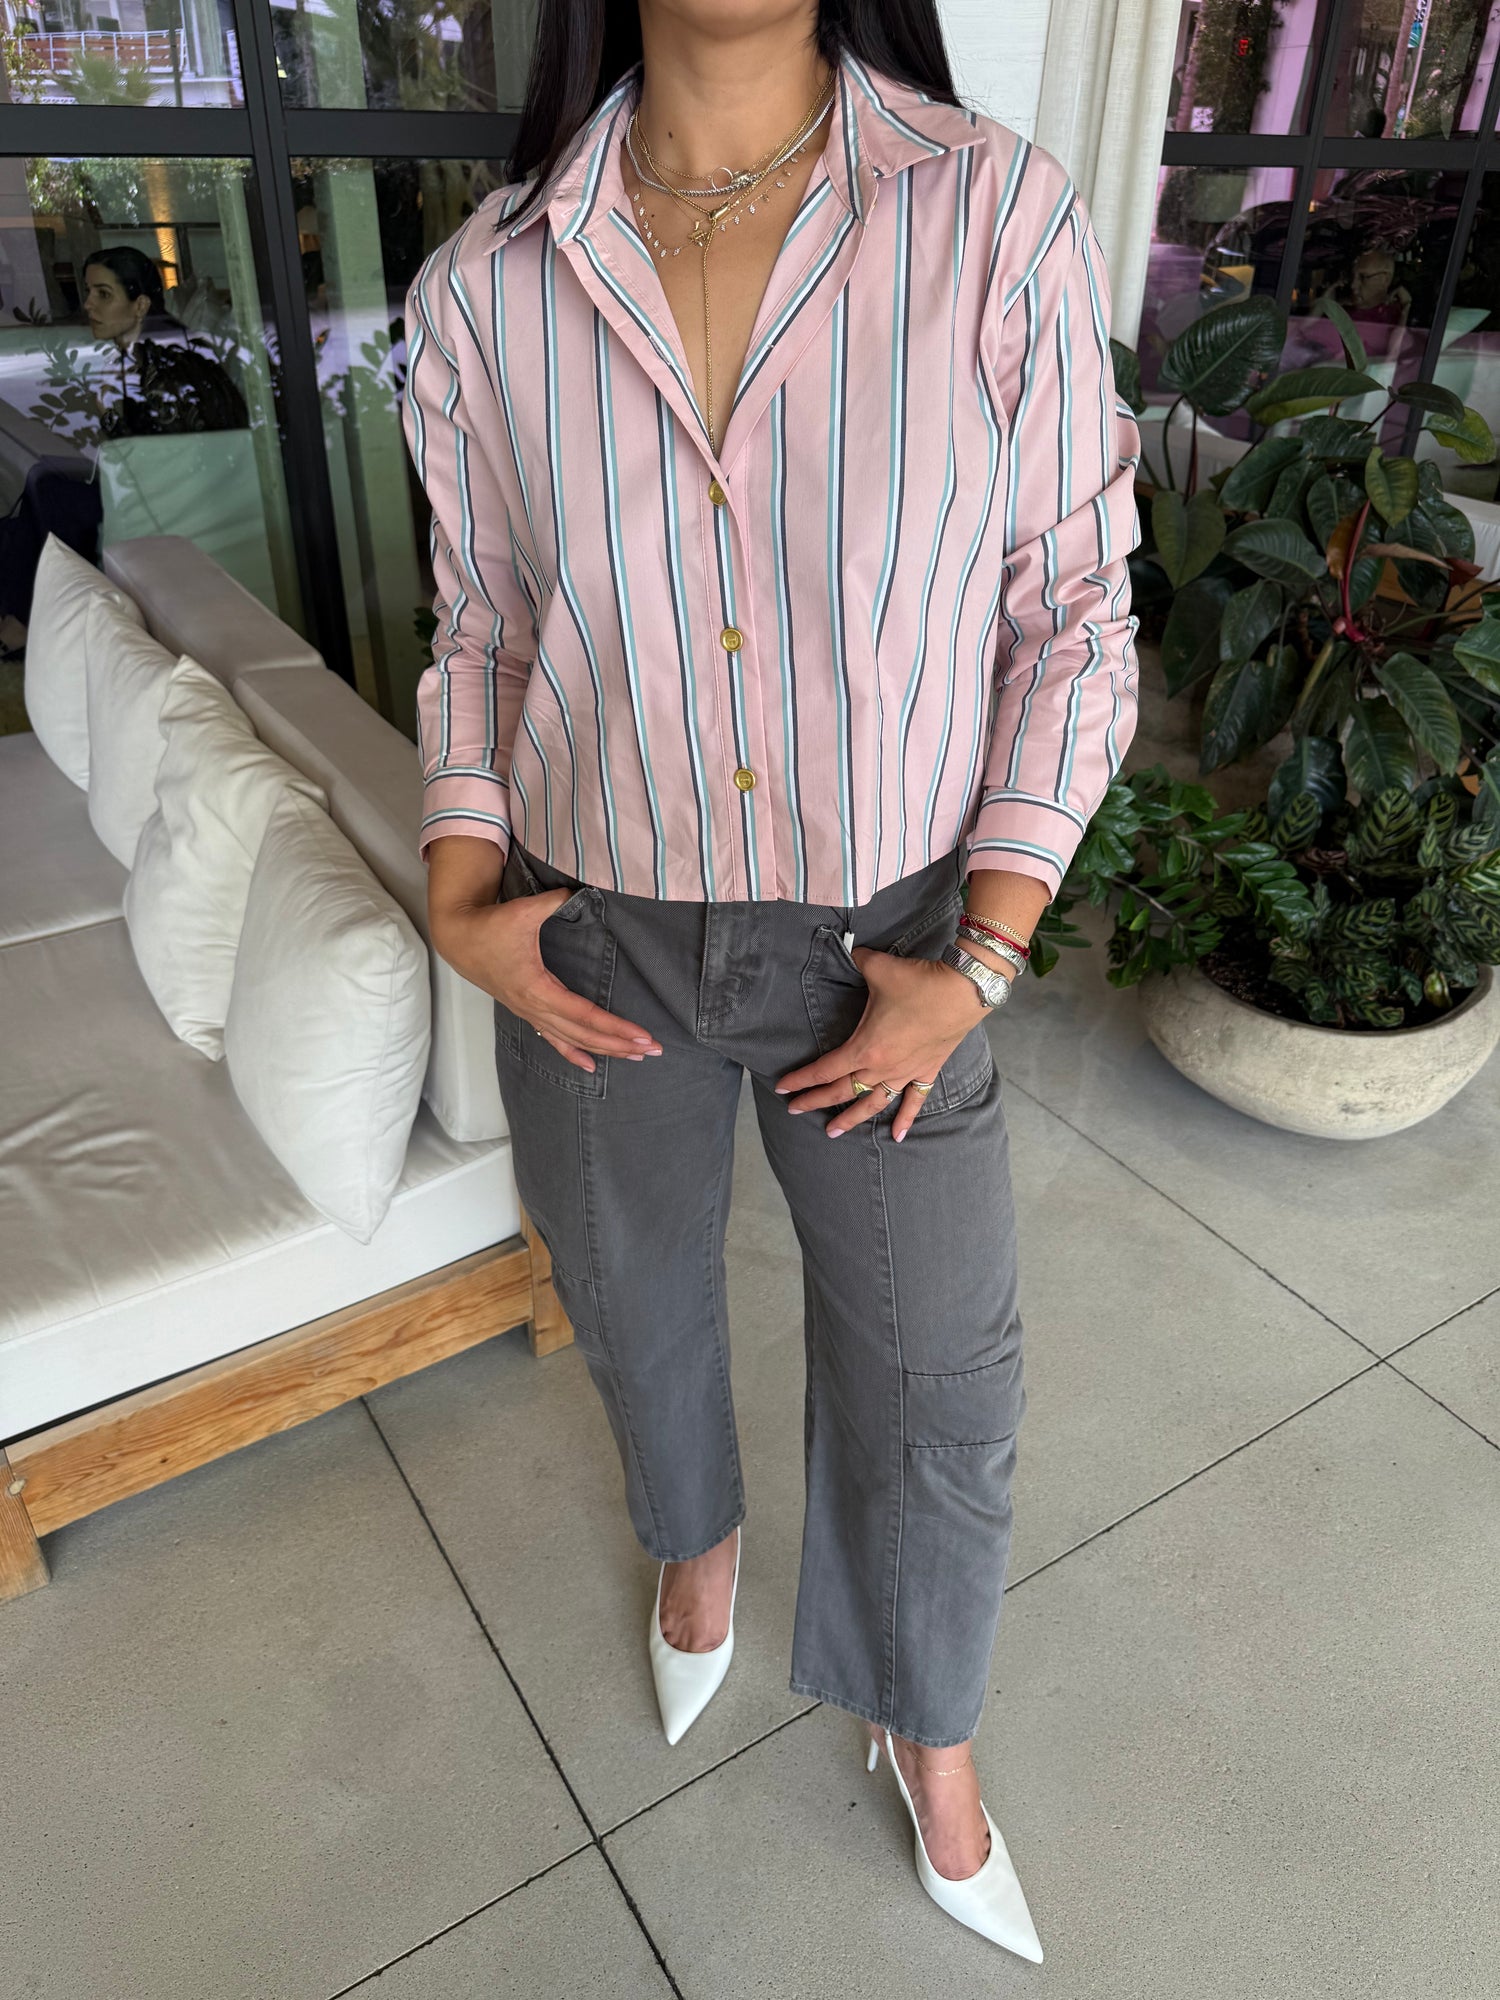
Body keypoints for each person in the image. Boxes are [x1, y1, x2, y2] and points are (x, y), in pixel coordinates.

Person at [402, 0, 1140, 1961]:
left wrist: (983, 957)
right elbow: (481, 621)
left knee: (937, 1375)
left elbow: (1074, 610)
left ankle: (927, 1722)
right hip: (593, 924)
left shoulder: (990, 217)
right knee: (632, 1297)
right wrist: (460, 886)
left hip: (890, 942)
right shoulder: (488, 285)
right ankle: (697, 1540)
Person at [0, 246, 246, 630]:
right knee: (38, 496)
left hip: (174, 499)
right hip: (166, 486)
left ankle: (26, 623)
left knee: (46, 492)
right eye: (88, 292)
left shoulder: (161, 364)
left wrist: (108, 418)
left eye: (103, 294)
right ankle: (24, 619)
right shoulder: (160, 350)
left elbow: (157, 457)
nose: (88, 304)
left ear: (141, 304)